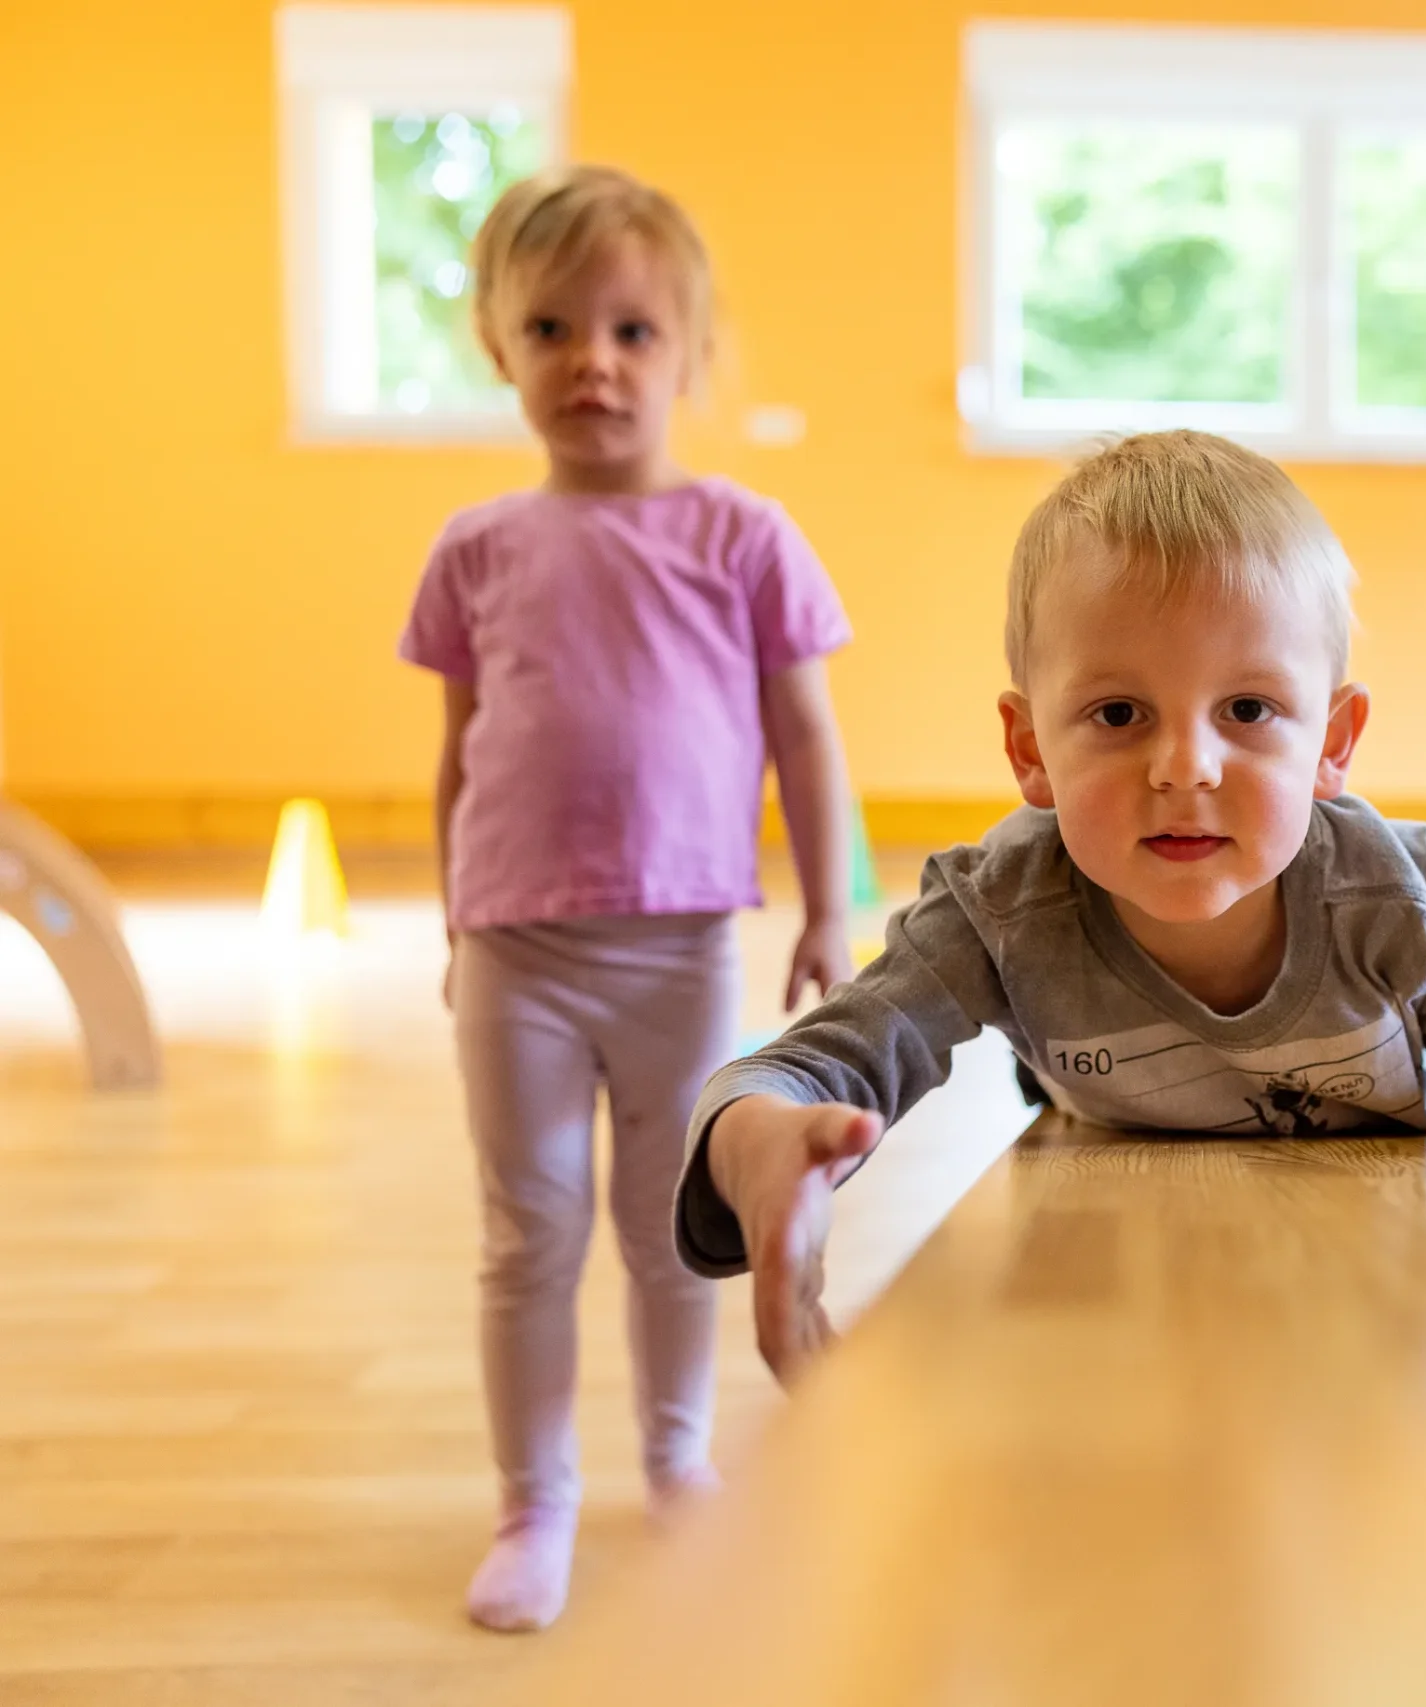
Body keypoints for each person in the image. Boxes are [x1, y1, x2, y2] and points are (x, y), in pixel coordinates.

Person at [669, 430, 1426, 1382]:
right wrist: (758, 1132)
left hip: (1379, 1293)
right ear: (1030, 749)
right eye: (1119, 714)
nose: (1185, 768)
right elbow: (813, 1063)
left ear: (1334, 739)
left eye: (1248, 710)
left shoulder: (1396, 892)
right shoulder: (1000, 909)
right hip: (1122, 1293)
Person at [398, 164, 858, 1631]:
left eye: (633, 331)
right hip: (518, 948)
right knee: (525, 1227)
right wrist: (453, 914)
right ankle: (533, 1498)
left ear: (690, 354)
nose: (592, 359)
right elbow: (462, 751)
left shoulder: (742, 536)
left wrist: (828, 906)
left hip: (678, 946)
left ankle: (675, 1459)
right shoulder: (475, 549)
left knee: (671, 1228)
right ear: (499, 349)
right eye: (551, 327)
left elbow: (805, 734)